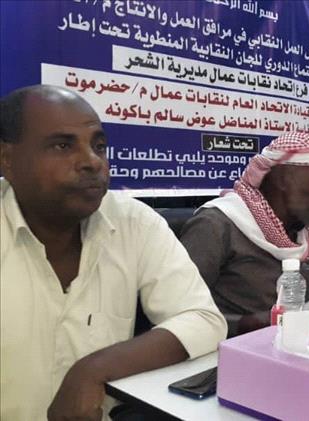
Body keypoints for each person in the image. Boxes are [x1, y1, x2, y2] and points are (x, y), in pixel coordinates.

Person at [0, 85, 227, 420]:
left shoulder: (134, 222)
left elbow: (203, 319)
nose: (92, 162)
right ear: (7, 160)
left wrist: (94, 369)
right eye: (63, 145)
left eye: (99, 146)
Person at [180, 133, 309, 337]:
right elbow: (178, 310)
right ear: (283, 180)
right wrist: (245, 324)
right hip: (224, 349)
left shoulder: (305, 229)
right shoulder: (216, 225)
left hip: (291, 342)